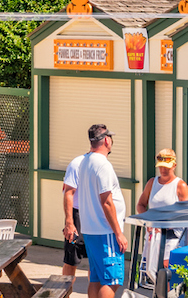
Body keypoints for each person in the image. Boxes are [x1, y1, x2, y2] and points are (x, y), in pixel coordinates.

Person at [76, 124, 128, 298]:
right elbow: (106, 202)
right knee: (112, 281)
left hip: (91, 230)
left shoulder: (85, 161)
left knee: (97, 279)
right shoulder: (102, 165)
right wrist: (118, 233)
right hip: (105, 232)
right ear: (106, 140)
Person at [135, 148, 188, 280]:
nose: (163, 170)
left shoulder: (180, 186)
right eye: (160, 167)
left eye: (166, 167)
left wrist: (166, 225)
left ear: (174, 165)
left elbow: (187, 214)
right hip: (153, 236)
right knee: (150, 275)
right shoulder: (152, 183)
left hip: (172, 238)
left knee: (166, 275)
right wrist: (148, 222)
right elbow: (141, 205)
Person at [61, 146, 90, 277]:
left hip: (95, 217)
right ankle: (64, 293)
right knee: (71, 260)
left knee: (95, 261)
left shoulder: (103, 165)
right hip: (77, 215)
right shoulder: (77, 164)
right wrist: (69, 223)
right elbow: (68, 193)